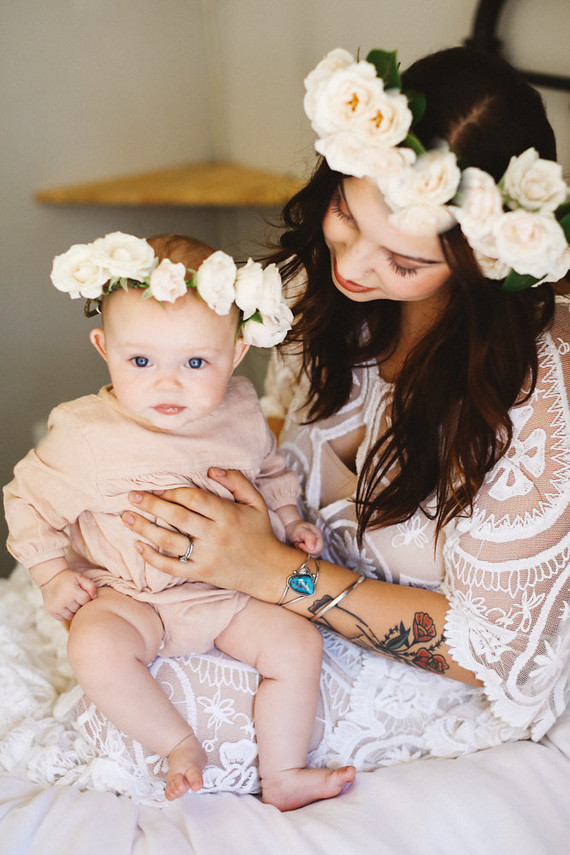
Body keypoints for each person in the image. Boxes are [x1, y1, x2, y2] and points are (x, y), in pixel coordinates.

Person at [115, 44, 570, 780]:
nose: (354, 266)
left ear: (481, 261)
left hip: (442, 686)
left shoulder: (538, 390)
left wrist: (273, 570)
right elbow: (274, 425)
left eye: (407, 261)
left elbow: (494, 651)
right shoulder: (331, 305)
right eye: (346, 215)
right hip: (283, 622)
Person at [4, 232, 357, 810]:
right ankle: (177, 745)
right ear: (104, 347)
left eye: (196, 362)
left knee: (297, 642)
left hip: (227, 591)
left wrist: (289, 520)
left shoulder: (241, 409)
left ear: (237, 353)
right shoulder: (87, 433)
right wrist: (51, 576)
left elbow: (267, 467)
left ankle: (285, 771)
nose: (168, 383)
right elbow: (26, 499)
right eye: (141, 361)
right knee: (94, 644)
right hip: (134, 596)